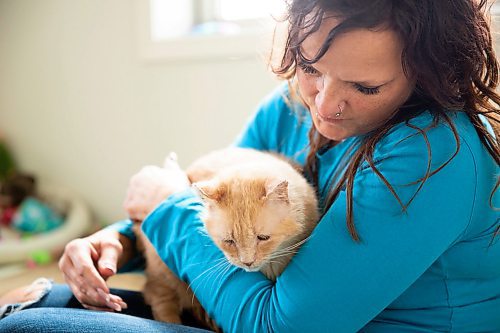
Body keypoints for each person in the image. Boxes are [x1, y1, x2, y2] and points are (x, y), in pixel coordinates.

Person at [1, 0, 499, 332]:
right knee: (38, 305)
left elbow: (279, 326)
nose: (324, 107)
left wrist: (163, 207)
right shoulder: (289, 106)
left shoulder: (434, 152)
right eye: (310, 68)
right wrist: (119, 239)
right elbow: (218, 205)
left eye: (364, 87)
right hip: (251, 305)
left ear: (430, 72)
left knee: (25, 325)